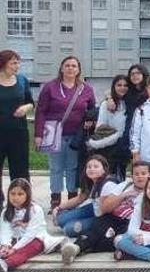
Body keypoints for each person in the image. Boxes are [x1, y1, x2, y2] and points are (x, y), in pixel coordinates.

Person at [35, 55, 96, 210]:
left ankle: (71, 199)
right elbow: (40, 111)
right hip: (54, 135)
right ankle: (55, 200)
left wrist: (90, 120)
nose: (70, 68)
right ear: (61, 68)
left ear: (78, 70)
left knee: (73, 168)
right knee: (56, 167)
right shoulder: (50, 87)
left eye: (74, 66)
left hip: (77, 136)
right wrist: (38, 134)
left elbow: (92, 110)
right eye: (67, 65)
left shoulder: (86, 89)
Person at [60, 161, 150, 262]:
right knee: (96, 229)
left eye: (143, 174)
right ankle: (75, 248)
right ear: (132, 175)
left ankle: (81, 248)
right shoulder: (125, 186)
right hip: (114, 217)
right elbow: (105, 208)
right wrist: (124, 195)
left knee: (113, 241)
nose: (139, 177)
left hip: (133, 223)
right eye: (136, 174)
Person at [0, 179, 63, 272]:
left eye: (20, 194)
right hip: (14, 240)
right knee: (3, 249)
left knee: (25, 251)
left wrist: (14, 249)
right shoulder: (6, 211)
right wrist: (5, 245)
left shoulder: (36, 210)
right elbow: (5, 230)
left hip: (34, 240)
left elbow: (30, 235)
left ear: (27, 195)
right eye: (12, 194)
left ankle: (6, 264)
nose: (15, 197)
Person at [0, 51, 34, 208]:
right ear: (3, 63)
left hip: (18, 134)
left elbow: (30, 102)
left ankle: (21, 205)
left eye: (18, 62)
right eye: (13, 63)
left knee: (20, 171)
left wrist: (25, 107)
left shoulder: (22, 81)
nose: (17, 66)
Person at [54, 154, 108, 239]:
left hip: (104, 216)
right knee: (59, 220)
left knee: (68, 229)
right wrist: (59, 208)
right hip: (93, 208)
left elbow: (108, 209)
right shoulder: (91, 182)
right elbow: (80, 198)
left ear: (104, 170)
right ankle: (70, 216)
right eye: (89, 167)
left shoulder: (108, 184)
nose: (92, 169)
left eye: (96, 167)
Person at [88, 75, 129, 181]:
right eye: (119, 85)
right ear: (113, 86)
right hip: (108, 146)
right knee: (107, 177)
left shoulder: (131, 103)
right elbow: (101, 125)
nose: (122, 88)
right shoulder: (106, 104)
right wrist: (115, 135)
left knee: (121, 177)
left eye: (125, 85)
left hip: (124, 146)